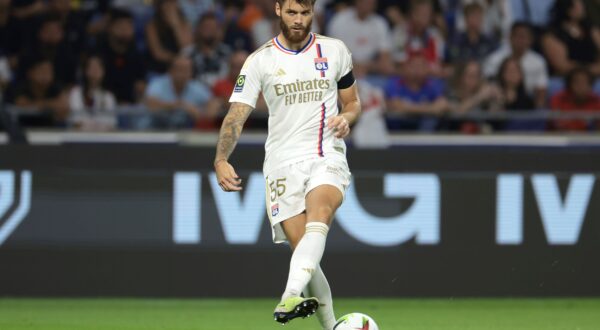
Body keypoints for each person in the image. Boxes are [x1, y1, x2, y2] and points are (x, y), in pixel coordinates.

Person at [214, 0, 360, 329]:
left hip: (326, 152)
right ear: (278, 9)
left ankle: (288, 294)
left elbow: (352, 102)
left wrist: (347, 118)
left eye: (305, 13)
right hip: (281, 164)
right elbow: (236, 115)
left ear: (314, 12)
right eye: (292, 12)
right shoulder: (259, 61)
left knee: (319, 215)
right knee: (304, 253)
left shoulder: (335, 51)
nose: (298, 20)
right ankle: (332, 325)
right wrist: (221, 158)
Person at [483, 22, 548, 109]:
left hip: (526, 102)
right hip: (498, 101)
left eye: (524, 37)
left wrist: (537, 113)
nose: (521, 40)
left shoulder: (539, 62)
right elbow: (487, 83)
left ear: (531, 40)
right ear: (510, 37)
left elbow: (541, 90)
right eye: (518, 36)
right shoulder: (494, 59)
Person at [144, 56, 217, 129]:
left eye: (186, 70)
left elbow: (212, 102)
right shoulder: (158, 84)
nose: (182, 74)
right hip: (156, 130)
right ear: (170, 71)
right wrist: (181, 106)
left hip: (185, 132)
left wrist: (208, 111)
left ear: (191, 73)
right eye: (179, 69)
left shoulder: (195, 87)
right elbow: (151, 103)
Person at [327, 0, 393, 74]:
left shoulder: (380, 23)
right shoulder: (339, 20)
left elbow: (385, 59)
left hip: (372, 72)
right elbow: (332, 55)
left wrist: (366, 67)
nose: (367, 3)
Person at [385, 54, 449, 131]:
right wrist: (429, 108)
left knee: (430, 120)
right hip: (397, 127)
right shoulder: (394, 83)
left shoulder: (433, 84)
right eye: (414, 66)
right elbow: (396, 105)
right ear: (405, 68)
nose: (417, 70)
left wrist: (408, 107)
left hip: (424, 127)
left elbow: (442, 105)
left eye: (421, 66)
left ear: (427, 69)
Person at [541, 0, 600, 76]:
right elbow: (561, 66)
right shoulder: (552, 35)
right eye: (579, 6)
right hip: (564, 79)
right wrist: (586, 70)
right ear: (568, 10)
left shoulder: (592, 31)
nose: (583, 9)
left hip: (593, 77)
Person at [68, 55, 117, 131]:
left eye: (98, 67)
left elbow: (111, 125)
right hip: (80, 138)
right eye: (92, 67)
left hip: (103, 138)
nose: (95, 71)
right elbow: (76, 122)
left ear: (103, 71)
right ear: (86, 71)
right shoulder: (76, 92)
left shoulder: (108, 96)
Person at [145, 0, 193, 73]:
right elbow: (158, 53)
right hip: (162, 67)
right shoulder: (152, 26)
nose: (170, 6)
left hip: (183, 67)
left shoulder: (185, 23)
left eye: (173, 3)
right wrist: (176, 59)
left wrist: (175, 25)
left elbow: (187, 47)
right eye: (166, 3)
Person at [550, 67, 600, 131]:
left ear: (590, 85)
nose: (581, 86)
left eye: (585, 82)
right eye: (577, 82)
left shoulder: (596, 100)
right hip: (562, 137)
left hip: (589, 138)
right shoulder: (558, 99)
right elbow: (556, 124)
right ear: (569, 85)